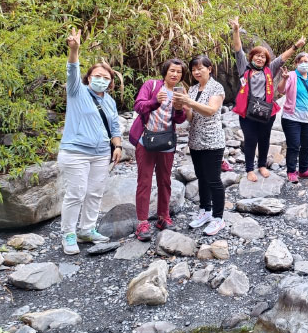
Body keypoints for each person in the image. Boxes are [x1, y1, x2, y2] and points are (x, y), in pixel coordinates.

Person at [57, 28, 122, 255]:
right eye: (97, 77)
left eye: (106, 78)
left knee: (95, 192)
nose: (101, 81)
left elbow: (114, 126)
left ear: (111, 82)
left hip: (101, 153)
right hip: (75, 152)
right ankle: (69, 234)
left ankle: (87, 229)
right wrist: (74, 50)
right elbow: (72, 70)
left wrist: (118, 145)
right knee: (75, 193)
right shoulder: (78, 92)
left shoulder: (110, 102)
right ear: (88, 78)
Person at [230, 17, 305, 182]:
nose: (259, 59)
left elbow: (282, 58)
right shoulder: (244, 68)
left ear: (266, 60)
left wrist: (295, 46)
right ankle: (249, 168)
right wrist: (236, 30)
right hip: (247, 111)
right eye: (256, 56)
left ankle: (262, 165)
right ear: (251, 58)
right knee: (250, 139)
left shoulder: (270, 69)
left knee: (264, 138)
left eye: (262, 57)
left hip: (266, 110)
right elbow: (237, 49)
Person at [131, 58, 189, 241]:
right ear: (165, 71)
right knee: (144, 181)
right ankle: (142, 222)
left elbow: (179, 121)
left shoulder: (180, 92)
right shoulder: (152, 85)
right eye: (172, 70)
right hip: (146, 140)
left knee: (165, 181)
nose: (175, 74)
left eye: (179, 72)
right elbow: (139, 106)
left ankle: (163, 217)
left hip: (166, 142)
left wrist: (180, 108)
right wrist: (155, 101)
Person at [175, 55, 227, 236]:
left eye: (200, 68)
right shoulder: (194, 88)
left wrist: (189, 102)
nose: (197, 72)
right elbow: (191, 118)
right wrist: (183, 107)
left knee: (213, 179)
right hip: (195, 139)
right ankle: (205, 210)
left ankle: (218, 218)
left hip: (213, 141)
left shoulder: (216, 87)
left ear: (209, 68)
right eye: (194, 69)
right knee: (201, 177)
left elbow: (211, 110)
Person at [278, 52, 308, 183]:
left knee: (306, 146)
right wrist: (284, 79)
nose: (305, 64)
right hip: (291, 117)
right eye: (302, 62)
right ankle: (291, 171)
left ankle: (303, 170)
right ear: (296, 63)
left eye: (307, 61)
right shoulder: (292, 76)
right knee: (294, 145)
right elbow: (280, 90)